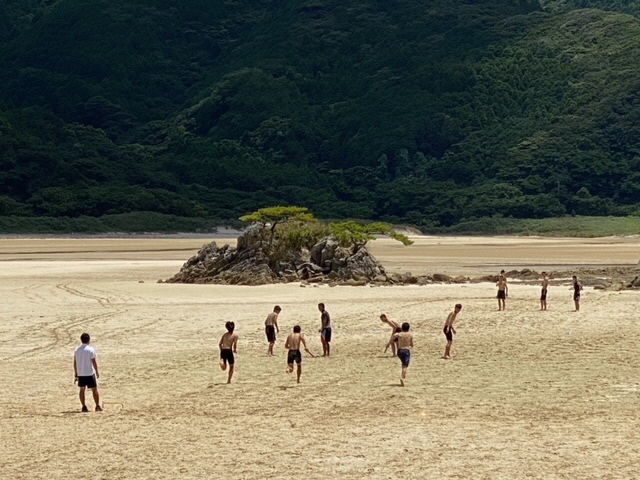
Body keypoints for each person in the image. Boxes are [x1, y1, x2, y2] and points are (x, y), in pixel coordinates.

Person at [73, 333, 101, 412]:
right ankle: (97, 406)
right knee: (94, 389)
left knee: (82, 390)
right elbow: (94, 362)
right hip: (89, 373)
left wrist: (76, 373)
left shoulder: (77, 350)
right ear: (88, 340)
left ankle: (83, 406)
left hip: (81, 373)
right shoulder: (90, 349)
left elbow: (75, 363)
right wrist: (97, 371)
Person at [392, 322, 413, 386]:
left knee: (403, 364)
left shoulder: (399, 334)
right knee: (405, 366)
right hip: (406, 351)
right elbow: (412, 345)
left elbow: (394, 336)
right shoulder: (410, 335)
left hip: (399, 351)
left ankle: (402, 375)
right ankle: (402, 378)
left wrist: (390, 342)